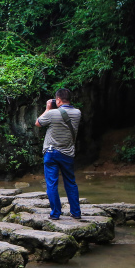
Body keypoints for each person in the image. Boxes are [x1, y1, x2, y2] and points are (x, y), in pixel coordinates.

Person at [35, 88, 82, 220]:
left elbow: (38, 123)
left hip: (51, 153)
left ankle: (55, 213)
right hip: (68, 153)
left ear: (59, 100)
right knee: (71, 183)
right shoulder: (78, 113)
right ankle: (76, 213)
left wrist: (48, 107)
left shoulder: (52, 113)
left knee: (52, 184)